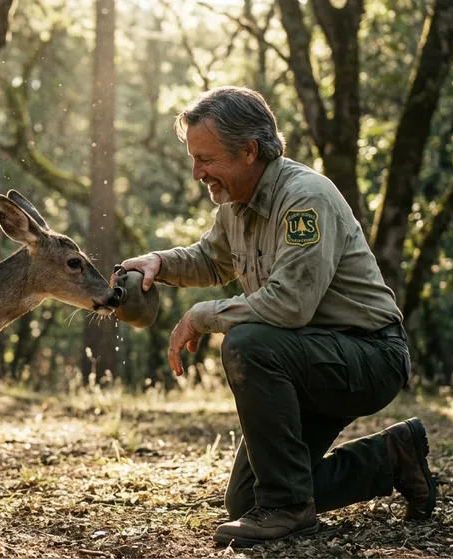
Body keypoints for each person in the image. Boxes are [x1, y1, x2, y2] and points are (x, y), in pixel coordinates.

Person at [116, 86, 436, 548]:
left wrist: (203, 317)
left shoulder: (304, 198)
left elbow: (289, 305)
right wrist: (159, 264)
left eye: (205, 159)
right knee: (246, 502)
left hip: (369, 356)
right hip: (305, 359)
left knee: (248, 344)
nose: (196, 173)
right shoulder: (235, 204)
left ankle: (289, 509)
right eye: (193, 159)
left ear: (248, 151)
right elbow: (210, 259)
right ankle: (392, 458)